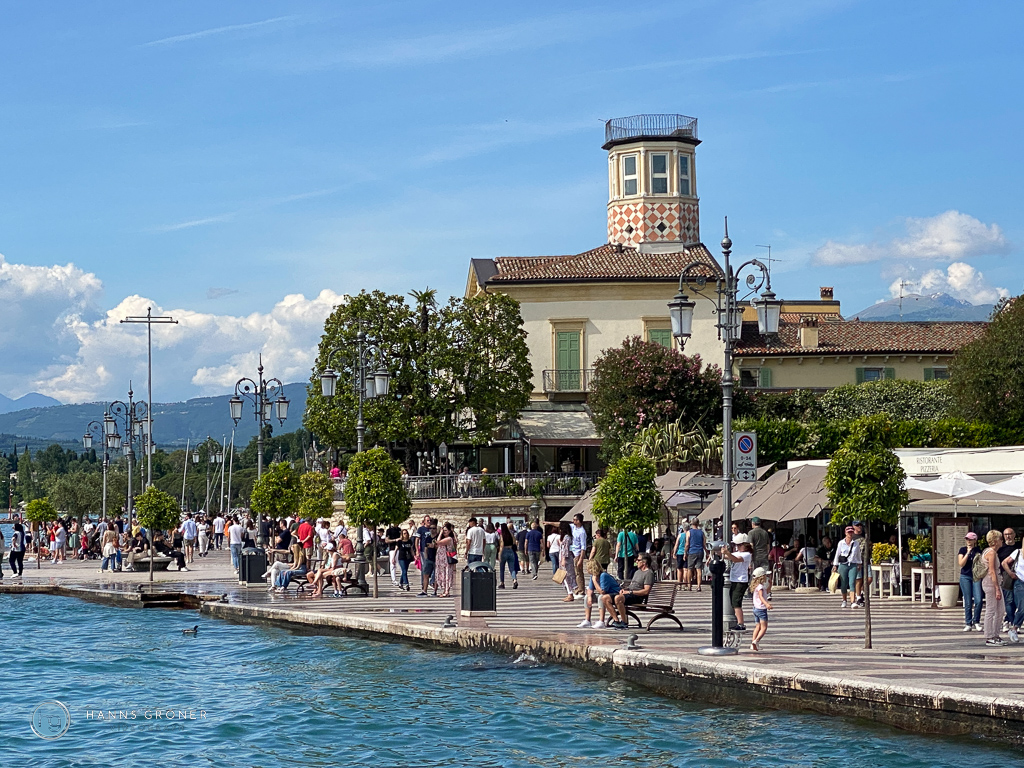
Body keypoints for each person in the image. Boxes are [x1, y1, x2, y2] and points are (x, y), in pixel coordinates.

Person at [612, 554, 656, 628]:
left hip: (637, 597)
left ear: (644, 562)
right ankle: (616, 620)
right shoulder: (637, 572)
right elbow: (632, 586)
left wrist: (630, 592)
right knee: (605, 598)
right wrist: (624, 590)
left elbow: (646, 591)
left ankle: (624, 622)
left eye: (638, 560)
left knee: (618, 598)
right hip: (629, 593)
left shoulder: (649, 573)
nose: (636, 561)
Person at [579, 559, 622, 629]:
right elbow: (590, 589)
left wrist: (595, 581)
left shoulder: (603, 575)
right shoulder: (593, 576)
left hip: (614, 594)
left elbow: (602, 591)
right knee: (587, 597)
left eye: (588, 568)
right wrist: (589, 597)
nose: (587, 570)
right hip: (606, 595)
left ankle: (601, 621)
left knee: (601, 597)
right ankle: (587, 620)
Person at [722, 536, 752, 630]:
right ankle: (738, 621)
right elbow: (728, 556)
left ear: (745, 545)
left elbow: (735, 559)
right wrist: (718, 552)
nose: (737, 547)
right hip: (734, 579)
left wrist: (727, 553)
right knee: (733, 601)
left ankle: (741, 624)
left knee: (736, 602)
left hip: (741, 580)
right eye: (736, 545)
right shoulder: (737, 553)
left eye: (739, 545)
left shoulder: (747, 554)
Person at [981, 529, 1005, 646]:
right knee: (991, 610)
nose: (1002, 541)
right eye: (1000, 539)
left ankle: (995, 634)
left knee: (1001, 610)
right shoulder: (991, 553)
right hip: (991, 584)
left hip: (994, 583)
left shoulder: (989, 551)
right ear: (995, 541)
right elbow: (992, 571)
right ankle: (989, 636)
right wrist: (996, 588)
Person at [958, 532, 983, 631]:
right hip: (965, 576)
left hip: (976, 576)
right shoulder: (962, 550)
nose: (968, 541)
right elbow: (961, 563)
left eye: (970, 539)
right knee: (968, 601)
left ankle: (976, 620)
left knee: (979, 600)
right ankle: (968, 622)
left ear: (975, 540)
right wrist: (968, 553)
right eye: (967, 539)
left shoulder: (978, 550)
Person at [1001, 536, 1024, 644]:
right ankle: (1014, 628)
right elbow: (1004, 563)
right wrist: (1010, 573)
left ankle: (1013, 625)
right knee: (1022, 606)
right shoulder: (1018, 552)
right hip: (1019, 582)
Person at [998, 527, 1018, 632]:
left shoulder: (1018, 547)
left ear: (1014, 535)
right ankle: (1013, 622)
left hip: (1019, 576)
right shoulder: (1001, 548)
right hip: (1005, 576)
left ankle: (1008, 620)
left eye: (1010, 534)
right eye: (1005, 534)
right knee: (1009, 600)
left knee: (1016, 601)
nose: (1008, 536)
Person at [749, 566, 773, 652]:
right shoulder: (760, 587)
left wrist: (770, 584)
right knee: (764, 627)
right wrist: (767, 604)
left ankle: (753, 643)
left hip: (755, 609)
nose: (767, 577)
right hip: (761, 609)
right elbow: (761, 596)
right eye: (766, 576)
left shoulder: (757, 586)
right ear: (762, 577)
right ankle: (756, 641)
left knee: (757, 626)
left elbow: (767, 592)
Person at [435, 523, 457, 598]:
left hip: (446, 559)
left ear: (449, 531)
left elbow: (438, 542)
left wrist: (440, 533)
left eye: (445, 530)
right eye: (443, 530)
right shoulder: (445, 538)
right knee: (443, 574)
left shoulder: (449, 539)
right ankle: (445, 590)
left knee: (447, 574)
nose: (444, 532)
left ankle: (447, 591)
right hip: (442, 560)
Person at [685, 519, 707, 591]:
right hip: (700, 551)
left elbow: (687, 544)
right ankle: (698, 586)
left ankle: (689, 585)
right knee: (699, 569)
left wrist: (685, 552)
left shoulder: (689, 532)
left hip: (692, 552)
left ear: (691, 524)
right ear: (698, 524)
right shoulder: (701, 532)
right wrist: (707, 552)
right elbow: (704, 544)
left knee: (690, 569)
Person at [559, 522, 577, 601]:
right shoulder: (569, 537)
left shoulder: (566, 538)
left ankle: (570, 593)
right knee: (567, 576)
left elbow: (565, 550)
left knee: (566, 576)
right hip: (567, 558)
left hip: (566, 559)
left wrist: (563, 559)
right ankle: (569, 592)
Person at [498, 523, 519, 589]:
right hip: (510, 551)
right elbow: (514, 543)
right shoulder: (511, 534)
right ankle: (514, 580)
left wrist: (499, 554)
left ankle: (502, 583)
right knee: (512, 568)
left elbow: (501, 546)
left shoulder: (502, 536)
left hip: (504, 551)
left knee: (502, 568)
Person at [418, 523, 437, 597]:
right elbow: (426, 548)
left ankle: (434, 591)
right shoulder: (428, 538)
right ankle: (424, 591)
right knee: (426, 575)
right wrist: (426, 557)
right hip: (429, 558)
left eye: (434, 528)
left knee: (436, 576)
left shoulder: (438, 537)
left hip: (436, 559)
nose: (432, 530)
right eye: (430, 528)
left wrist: (434, 545)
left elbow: (437, 547)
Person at [570, 514, 587, 595]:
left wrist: (581, 559)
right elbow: (562, 525)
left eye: (575, 520)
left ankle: (581, 589)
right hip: (573, 552)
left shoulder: (582, 532)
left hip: (578, 554)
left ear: (579, 521)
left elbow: (583, 547)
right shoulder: (573, 527)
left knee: (578, 572)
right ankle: (578, 587)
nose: (573, 521)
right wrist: (548, 523)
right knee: (575, 572)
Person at [385, 522, 402, 586]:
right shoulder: (389, 530)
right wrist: (395, 540)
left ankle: (402, 579)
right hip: (392, 548)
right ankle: (393, 579)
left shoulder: (399, 530)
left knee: (400, 564)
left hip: (400, 548)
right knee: (393, 564)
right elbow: (387, 540)